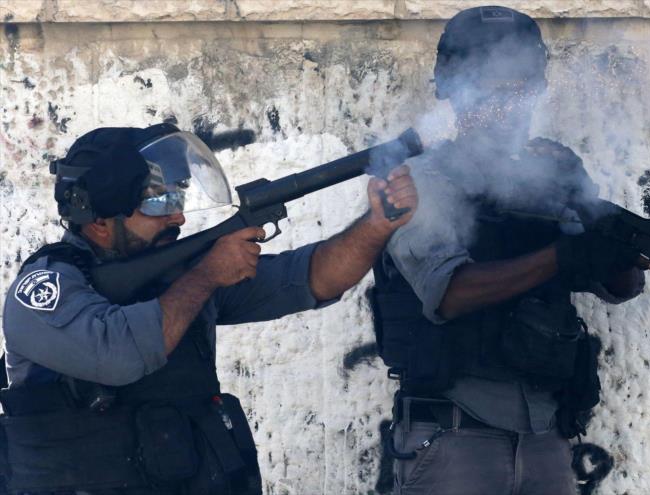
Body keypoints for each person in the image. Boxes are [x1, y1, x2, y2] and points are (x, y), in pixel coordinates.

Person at [0, 123, 418, 494]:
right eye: (157, 203)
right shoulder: (46, 289)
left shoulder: (179, 279)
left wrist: (378, 223)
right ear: (99, 222)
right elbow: (120, 354)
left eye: (174, 197)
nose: (178, 216)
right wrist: (204, 277)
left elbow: (313, 277)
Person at [370, 6, 646, 494]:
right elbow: (448, 293)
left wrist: (611, 239)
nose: (509, 104)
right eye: (493, 88)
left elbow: (621, 288)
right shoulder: (418, 180)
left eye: (521, 87)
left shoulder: (551, 171)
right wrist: (563, 255)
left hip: (545, 434)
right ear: (454, 90)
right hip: (453, 438)